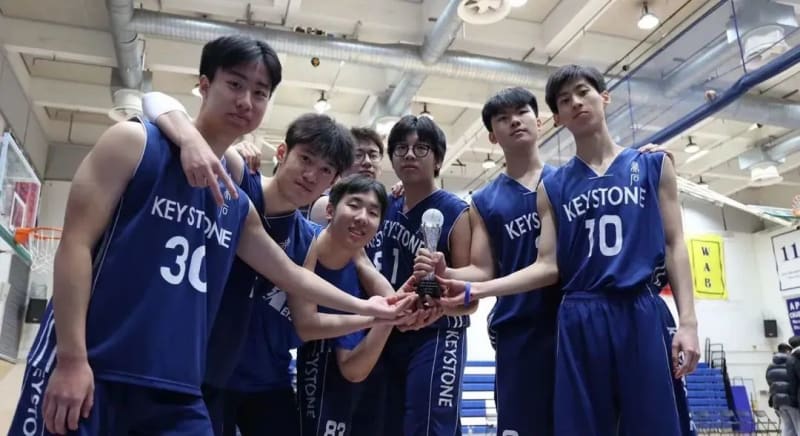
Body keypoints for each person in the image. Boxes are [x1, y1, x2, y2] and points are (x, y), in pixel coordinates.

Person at [10, 35, 407, 436]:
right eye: (234, 84)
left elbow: (291, 276)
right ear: (204, 84)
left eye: (259, 93)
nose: (245, 101)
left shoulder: (235, 201)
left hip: (179, 386)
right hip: (94, 366)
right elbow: (75, 245)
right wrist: (72, 359)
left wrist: (372, 308)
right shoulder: (136, 143)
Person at [437, 64, 700, 436]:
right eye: (564, 100)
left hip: (638, 306)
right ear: (557, 118)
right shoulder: (550, 188)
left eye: (583, 91)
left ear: (605, 97)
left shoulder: (652, 164)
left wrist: (688, 322)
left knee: (653, 424)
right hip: (574, 315)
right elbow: (547, 265)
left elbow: (675, 245)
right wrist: (469, 286)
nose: (576, 102)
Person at [362, 114, 476, 436]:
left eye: (421, 148)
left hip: (438, 331)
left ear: (438, 159)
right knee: (390, 425)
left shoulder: (457, 211)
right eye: (401, 148)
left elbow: (470, 285)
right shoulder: (385, 206)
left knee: (427, 425)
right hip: (391, 328)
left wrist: (443, 286)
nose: (410, 154)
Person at [296, 175, 417, 436]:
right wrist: (379, 314)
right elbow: (306, 325)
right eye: (353, 205)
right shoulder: (300, 238)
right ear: (329, 210)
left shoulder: (352, 277)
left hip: (267, 376)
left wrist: (395, 311)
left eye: (373, 212)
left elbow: (353, 370)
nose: (362, 217)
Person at [307, 127, 385, 226]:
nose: (367, 162)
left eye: (373, 156)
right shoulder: (327, 203)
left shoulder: (384, 202)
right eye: (358, 155)